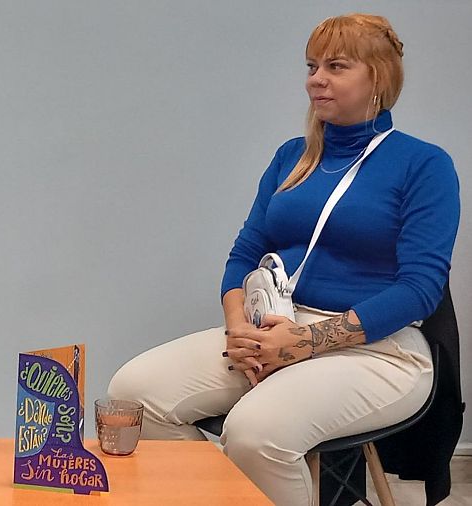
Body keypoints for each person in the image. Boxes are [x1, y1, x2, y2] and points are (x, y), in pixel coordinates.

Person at [107, 14, 459, 506]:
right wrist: (240, 330)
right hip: (275, 329)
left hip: (379, 349)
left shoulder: (425, 165)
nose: (316, 79)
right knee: (135, 392)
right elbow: (244, 253)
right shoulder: (291, 156)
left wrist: (307, 342)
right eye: (312, 66)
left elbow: (419, 290)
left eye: (336, 66)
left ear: (378, 77)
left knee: (255, 433)